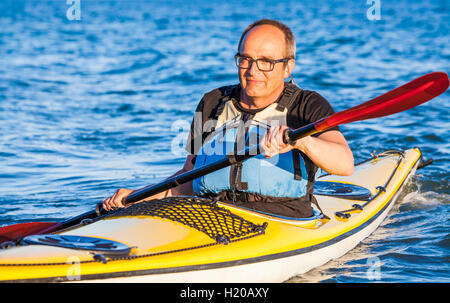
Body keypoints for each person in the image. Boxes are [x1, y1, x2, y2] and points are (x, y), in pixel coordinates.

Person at [102, 19, 354, 218]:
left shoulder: (307, 105)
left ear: (287, 67)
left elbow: (345, 164)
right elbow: (188, 177)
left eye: (266, 62)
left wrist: (301, 141)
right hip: (211, 215)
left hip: (283, 218)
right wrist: (138, 197)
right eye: (245, 59)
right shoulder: (213, 102)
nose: (253, 70)